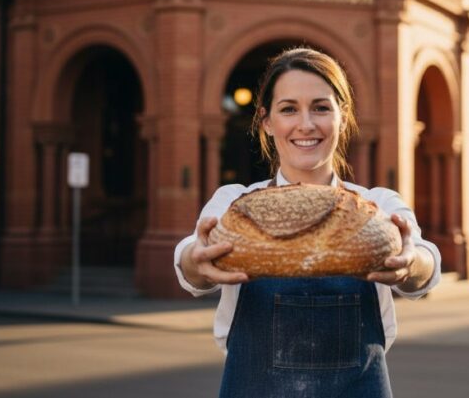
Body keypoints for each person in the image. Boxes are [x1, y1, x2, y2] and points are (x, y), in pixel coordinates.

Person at [174, 47, 441, 397]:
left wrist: (411, 265)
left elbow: (424, 264)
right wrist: (195, 259)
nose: (306, 124)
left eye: (320, 107)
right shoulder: (235, 204)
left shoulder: (378, 205)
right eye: (289, 109)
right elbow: (191, 265)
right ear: (266, 121)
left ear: (342, 116)